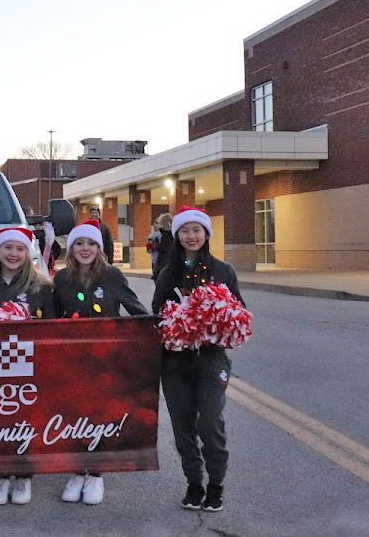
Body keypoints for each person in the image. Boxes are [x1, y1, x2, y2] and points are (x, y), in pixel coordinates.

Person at [152, 206, 244, 513]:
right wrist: (175, 322)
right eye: (185, 231)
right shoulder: (168, 272)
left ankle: (215, 485)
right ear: (177, 235)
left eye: (197, 230)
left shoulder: (223, 271)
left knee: (210, 424)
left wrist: (216, 320)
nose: (191, 236)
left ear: (206, 234)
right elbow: (157, 315)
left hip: (211, 360)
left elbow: (239, 312)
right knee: (183, 427)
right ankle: (193, 484)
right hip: (175, 363)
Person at [52, 218, 148, 505]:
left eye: (91, 243)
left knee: (98, 416)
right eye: (79, 243)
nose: (85, 248)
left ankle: (95, 474)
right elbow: (53, 320)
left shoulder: (113, 277)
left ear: (100, 248)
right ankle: (77, 471)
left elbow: (136, 310)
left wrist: (156, 331)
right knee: (74, 416)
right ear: (71, 249)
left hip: (106, 359)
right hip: (72, 360)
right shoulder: (61, 279)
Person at [0, 227, 54, 506]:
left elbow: (51, 330)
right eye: (8, 248)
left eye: (19, 249)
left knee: (24, 420)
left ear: (27, 253)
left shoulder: (41, 287)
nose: (13, 254)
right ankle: (0, 476)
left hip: (26, 366)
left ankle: (23, 477)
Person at [152, 213, 174, 281]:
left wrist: (156, 245)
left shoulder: (165, 235)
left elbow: (163, 249)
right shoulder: (174, 234)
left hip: (164, 264)